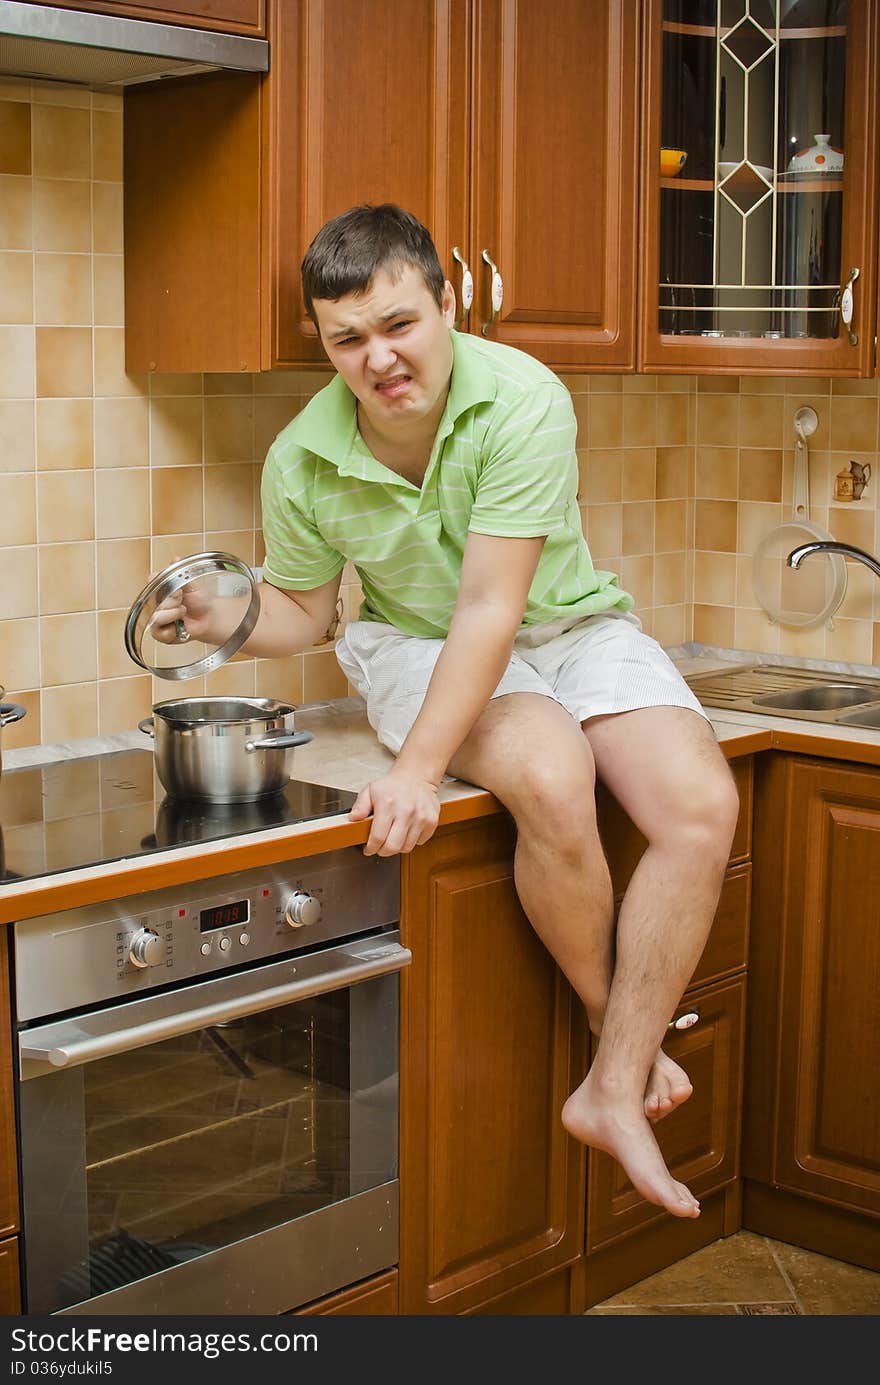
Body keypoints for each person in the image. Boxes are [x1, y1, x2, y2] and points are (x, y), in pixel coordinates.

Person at [161, 203, 739, 1221]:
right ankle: (620, 1052)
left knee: (699, 805)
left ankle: (612, 1077)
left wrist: (419, 770)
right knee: (552, 774)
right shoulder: (301, 456)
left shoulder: (523, 397)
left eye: (398, 323)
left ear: (447, 300)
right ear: (324, 342)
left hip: (564, 623)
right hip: (410, 643)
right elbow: (304, 609)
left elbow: (494, 606)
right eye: (347, 338)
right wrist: (228, 617)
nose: (377, 357)